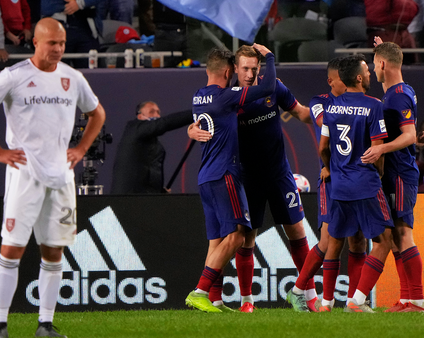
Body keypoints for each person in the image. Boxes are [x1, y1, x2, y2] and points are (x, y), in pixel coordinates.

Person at [0, 18, 106, 337]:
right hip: (24, 175)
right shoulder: (15, 76)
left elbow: (98, 113)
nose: (58, 49)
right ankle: (0, 325)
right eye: (52, 43)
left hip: (61, 177)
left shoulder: (73, 78)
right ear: (36, 43)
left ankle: (45, 324)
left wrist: (81, 148)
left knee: (53, 251)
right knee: (12, 249)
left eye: (62, 43)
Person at [188, 45, 316, 313]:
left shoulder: (274, 88)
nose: (249, 73)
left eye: (254, 69)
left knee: (297, 230)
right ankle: (247, 301)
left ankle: (307, 294)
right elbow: (206, 117)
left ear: (260, 69)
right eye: (244, 68)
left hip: (279, 172)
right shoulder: (229, 96)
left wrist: (329, 116)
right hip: (247, 177)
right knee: (245, 239)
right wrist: (192, 129)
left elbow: (302, 113)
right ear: (233, 68)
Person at [184, 44, 276, 313]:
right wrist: (269, 58)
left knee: (216, 241)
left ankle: (215, 300)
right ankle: (200, 291)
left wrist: (191, 130)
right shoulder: (226, 96)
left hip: (205, 177)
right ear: (228, 71)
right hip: (225, 174)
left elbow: (200, 123)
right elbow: (267, 88)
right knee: (237, 236)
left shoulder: (198, 96)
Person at [285, 57, 367, 313]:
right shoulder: (321, 102)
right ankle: (302, 292)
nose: (351, 80)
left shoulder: (362, 103)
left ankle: (354, 302)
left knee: (358, 241)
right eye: (344, 77)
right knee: (330, 241)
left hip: (356, 178)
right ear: (332, 81)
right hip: (331, 179)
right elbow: (322, 123)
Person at [319, 54, 394, 313]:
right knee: (385, 241)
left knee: (336, 242)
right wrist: (380, 173)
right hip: (365, 184)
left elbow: (322, 148)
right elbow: (377, 150)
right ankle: (357, 300)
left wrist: (332, 169)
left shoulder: (331, 106)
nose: (371, 74)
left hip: (339, 187)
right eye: (367, 71)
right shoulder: (373, 106)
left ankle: (326, 303)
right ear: (360, 78)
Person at [361, 40, 424, 312]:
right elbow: (408, 134)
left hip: (400, 173)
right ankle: (406, 298)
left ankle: (418, 301)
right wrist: (384, 46)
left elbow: (409, 134)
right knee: (398, 240)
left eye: (375, 63)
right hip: (395, 172)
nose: (373, 68)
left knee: (403, 233)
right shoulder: (398, 91)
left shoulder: (398, 95)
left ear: (383, 65)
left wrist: (381, 149)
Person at [111, 101, 193, 194]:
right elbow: (165, 123)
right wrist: (196, 113)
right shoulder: (134, 128)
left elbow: (148, 170)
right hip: (128, 199)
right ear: (140, 116)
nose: (157, 116)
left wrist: (158, 191)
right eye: (152, 112)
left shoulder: (150, 142)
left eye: (158, 112)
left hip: (144, 198)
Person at [41, 0, 105, 68]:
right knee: (57, 71)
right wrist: (71, 4)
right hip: (58, 31)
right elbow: (46, 7)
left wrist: (80, 3)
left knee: (90, 71)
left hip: (87, 30)